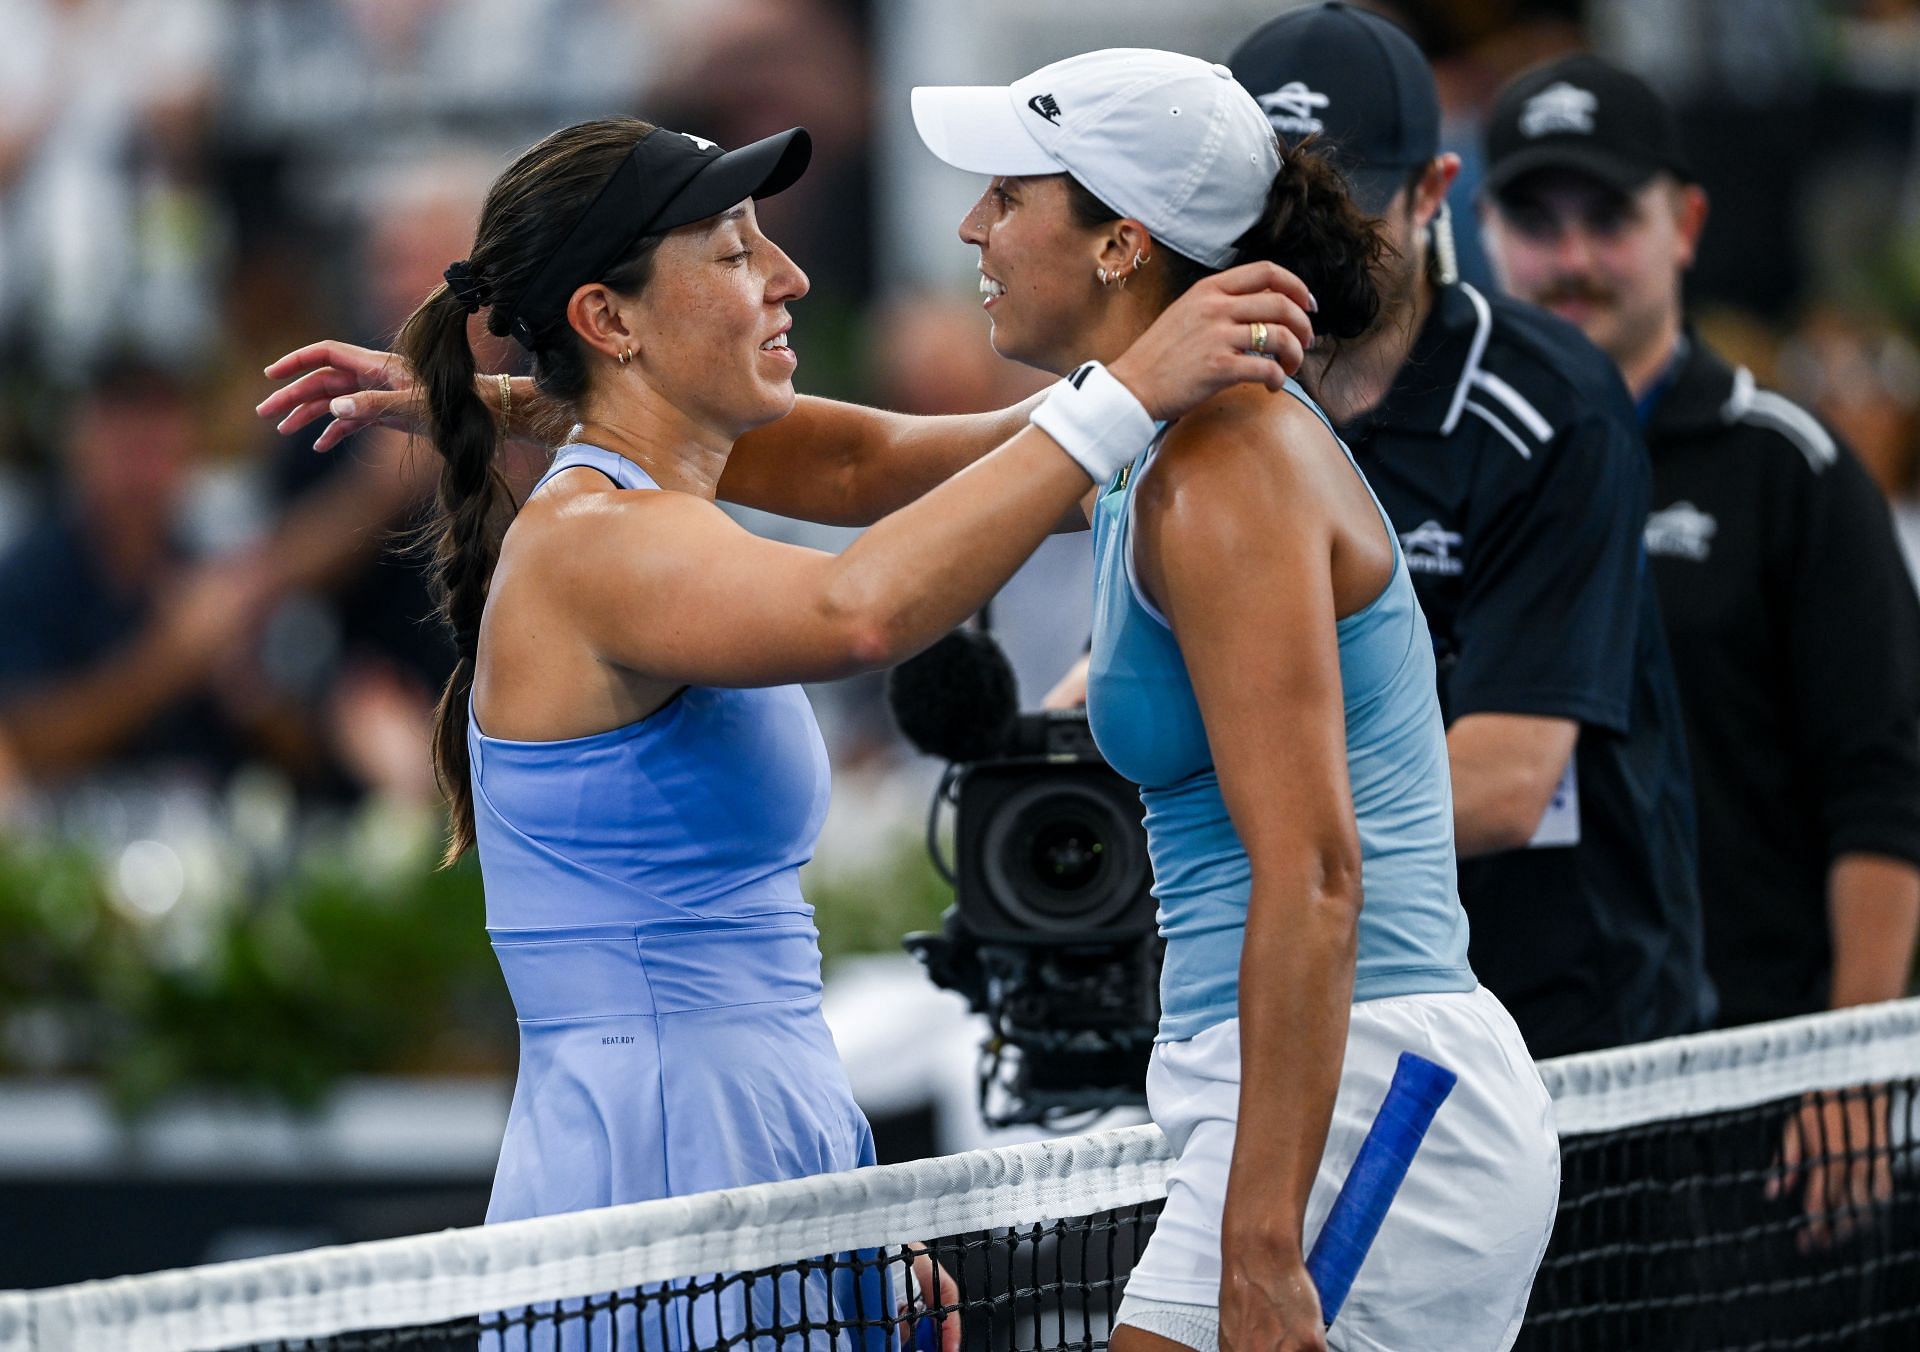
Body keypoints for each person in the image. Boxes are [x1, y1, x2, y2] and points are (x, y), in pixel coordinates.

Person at [262, 51, 1557, 1351]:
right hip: (675, 1162)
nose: (962, 227)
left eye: (1006, 192)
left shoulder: (1195, 452)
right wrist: (500, 402)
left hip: (1318, 1089)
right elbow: (860, 584)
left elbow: (868, 464)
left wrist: (501, 399)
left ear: (1123, 244)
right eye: (733, 254)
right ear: (612, 319)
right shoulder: (607, 543)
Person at [1479, 50, 1920, 1303]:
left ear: (1685, 223)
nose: (1571, 259)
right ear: (1483, 226)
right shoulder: (1453, 474)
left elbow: (1883, 787)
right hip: (1514, 1102)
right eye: (1534, 218)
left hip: (1756, 1101)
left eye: (1606, 218)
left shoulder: (1791, 468)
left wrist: (1851, 1065)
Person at [1218, 3, 1714, 1061]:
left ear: (1436, 191)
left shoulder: (1549, 409)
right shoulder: (1208, 400)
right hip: (1312, 1008)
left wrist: (1227, 839)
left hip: (1563, 1025)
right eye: (1266, 207)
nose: (1302, 244)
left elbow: (1506, 777)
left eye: (1339, 205)